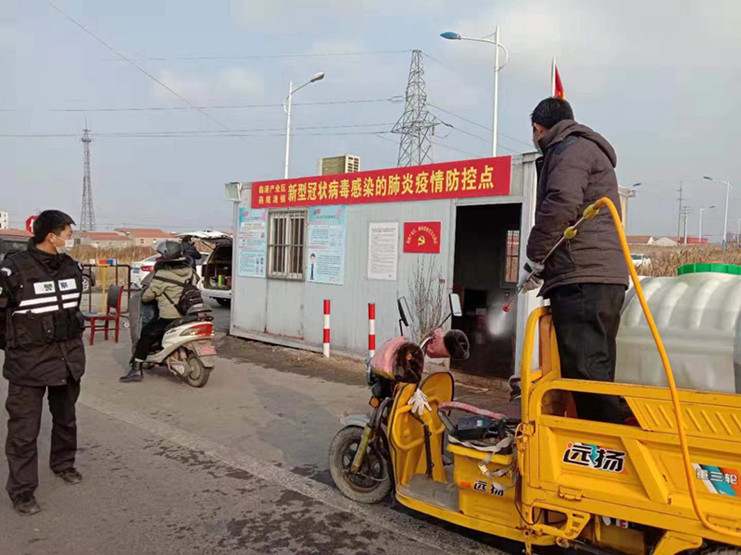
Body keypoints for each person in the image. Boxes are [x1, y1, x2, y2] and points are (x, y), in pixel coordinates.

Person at [522, 98, 628, 424]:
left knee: (585, 372)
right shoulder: (585, 149)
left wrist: (535, 256)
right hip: (599, 275)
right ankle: (605, 437)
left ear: (538, 128)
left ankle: (606, 442)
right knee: (595, 367)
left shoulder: (569, 150)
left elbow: (562, 202)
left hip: (583, 276)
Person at [0, 210, 86, 515]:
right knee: (24, 431)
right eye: (67, 234)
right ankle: (22, 491)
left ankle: (63, 464)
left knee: (66, 419)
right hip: (28, 363)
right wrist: (16, 344)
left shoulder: (71, 267)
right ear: (50, 236)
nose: (70, 239)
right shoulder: (14, 269)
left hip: (67, 359)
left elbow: (73, 310)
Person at [121, 241, 194, 383]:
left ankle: (136, 369)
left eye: (161, 254)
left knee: (146, 334)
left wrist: (144, 295)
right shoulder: (190, 271)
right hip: (188, 314)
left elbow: (148, 296)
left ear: (166, 256)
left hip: (170, 317)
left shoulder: (162, 274)